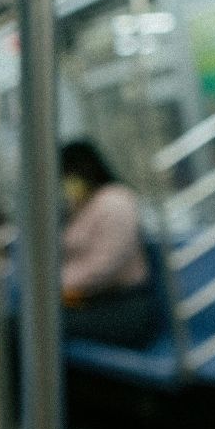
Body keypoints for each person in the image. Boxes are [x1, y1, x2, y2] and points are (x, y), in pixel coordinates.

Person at [59, 139, 160, 348]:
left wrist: (58, 285)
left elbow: (105, 266)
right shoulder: (85, 206)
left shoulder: (115, 202)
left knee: (31, 327)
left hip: (123, 309)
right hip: (93, 303)